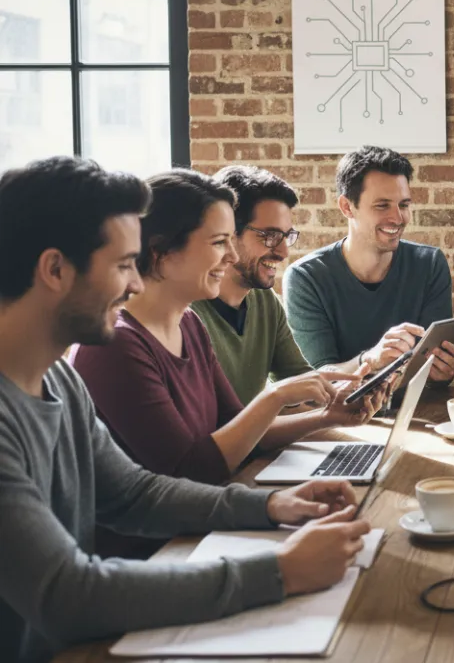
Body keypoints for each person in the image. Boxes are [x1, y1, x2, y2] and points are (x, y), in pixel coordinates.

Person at [0, 157, 370, 663]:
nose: (135, 285)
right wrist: (280, 571)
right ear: (55, 269)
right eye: (122, 265)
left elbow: (133, 492)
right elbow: (67, 594)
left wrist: (270, 506)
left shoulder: (57, 378)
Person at [70, 171, 385, 491]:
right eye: (220, 242)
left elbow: (242, 434)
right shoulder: (114, 345)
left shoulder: (189, 325)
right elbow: (189, 470)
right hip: (161, 539)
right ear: (160, 250)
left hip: (205, 514)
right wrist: (276, 395)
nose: (232, 256)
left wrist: (330, 416)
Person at [283, 146, 454, 382]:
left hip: (415, 413)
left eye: (404, 205)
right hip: (339, 417)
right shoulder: (306, 277)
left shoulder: (429, 265)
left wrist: (442, 370)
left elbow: (429, 371)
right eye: (382, 205)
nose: (398, 218)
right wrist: (370, 360)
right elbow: (316, 379)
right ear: (347, 207)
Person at [190, 166, 313, 405]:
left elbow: (300, 381)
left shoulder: (264, 300)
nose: (283, 251)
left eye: (286, 236)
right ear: (228, 233)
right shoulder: (187, 313)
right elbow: (215, 430)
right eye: (269, 236)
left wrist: (359, 382)